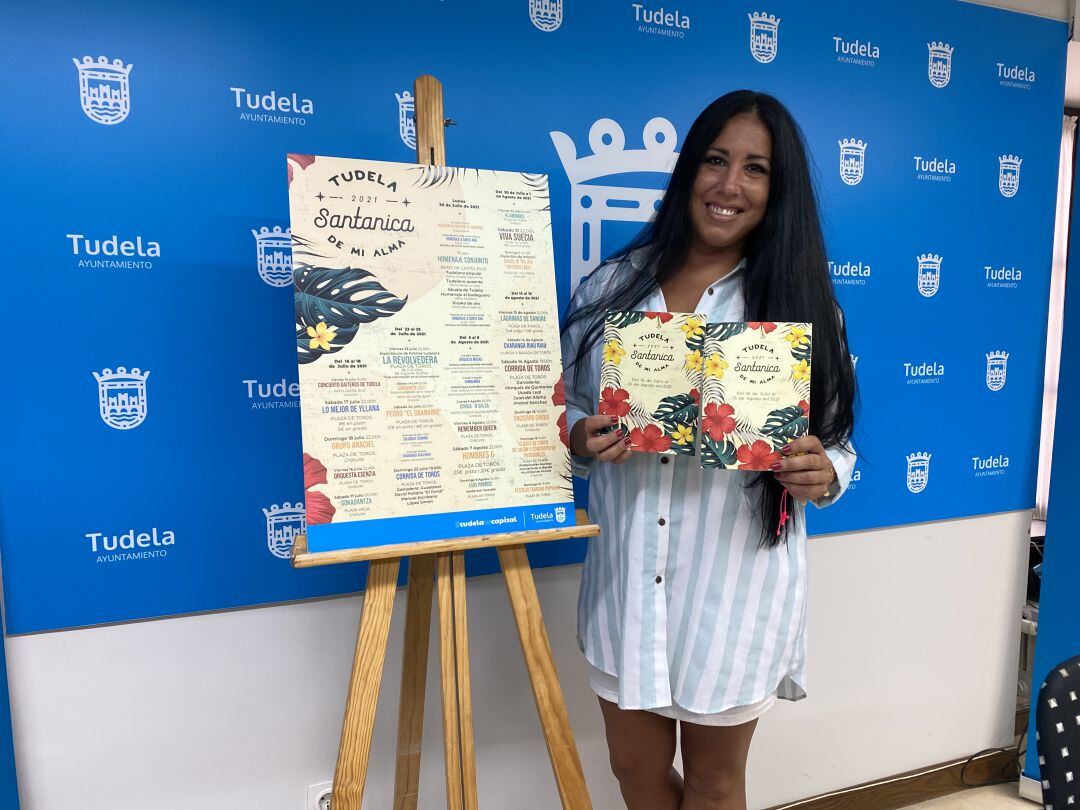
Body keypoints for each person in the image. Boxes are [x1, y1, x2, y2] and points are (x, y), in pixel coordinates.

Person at [560, 91, 858, 810]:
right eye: (716, 161)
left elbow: (839, 444)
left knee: (717, 783)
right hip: (629, 582)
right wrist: (578, 437)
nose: (730, 185)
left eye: (755, 169)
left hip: (732, 590)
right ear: (689, 169)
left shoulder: (801, 303)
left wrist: (825, 471)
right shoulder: (610, 291)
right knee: (632, 769)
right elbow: (561, 407)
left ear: (776, 190)